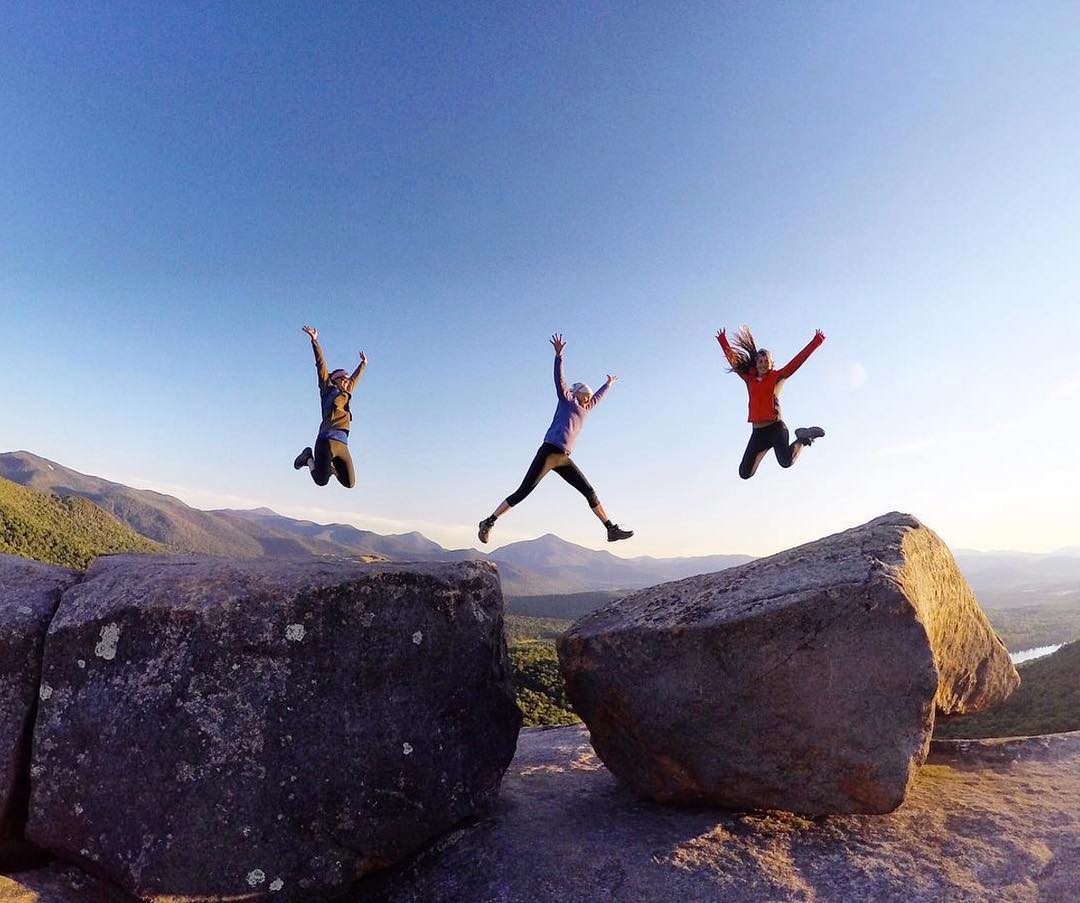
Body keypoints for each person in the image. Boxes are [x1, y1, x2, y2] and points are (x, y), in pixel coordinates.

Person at [479, 334, 633, 544]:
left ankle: (610, 529)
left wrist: (609, 384)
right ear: (576, 393)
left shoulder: (586, 409)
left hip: (563, 458)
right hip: (549, 451)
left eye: (589, 396)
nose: (588, 398)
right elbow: (559, 380)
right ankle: (488, 522)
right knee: (523, 491)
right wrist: (559, 356)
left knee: (589, 491)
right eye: (585, 394)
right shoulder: (567, 400)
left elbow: (598, 397)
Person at [716, 325, 826, 479]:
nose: (762, 363)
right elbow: (734, 362)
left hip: (775, 428)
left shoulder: (778, 376)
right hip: (758, 433)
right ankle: (765, 448)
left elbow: (796, 363)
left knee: (786, 461)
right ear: (756, 364)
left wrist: (816, 342)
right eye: (760, 361)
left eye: (765, 361)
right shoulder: (749, 379)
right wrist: (723, 341)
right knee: (744, 473)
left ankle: (803, 437)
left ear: (771, 364)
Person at [293, 326, 366, 488]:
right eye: (344, 379)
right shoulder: (328, 389)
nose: (347, 381)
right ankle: (307, 458)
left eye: (348, 379)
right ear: (336, 380)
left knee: (350, 483)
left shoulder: (347, 393)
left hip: (343, 444)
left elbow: (355, 379)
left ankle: (330, 469)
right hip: (326, 440)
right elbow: (321, 365)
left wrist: (363, 364)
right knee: (321, 481)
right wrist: (315, 341)